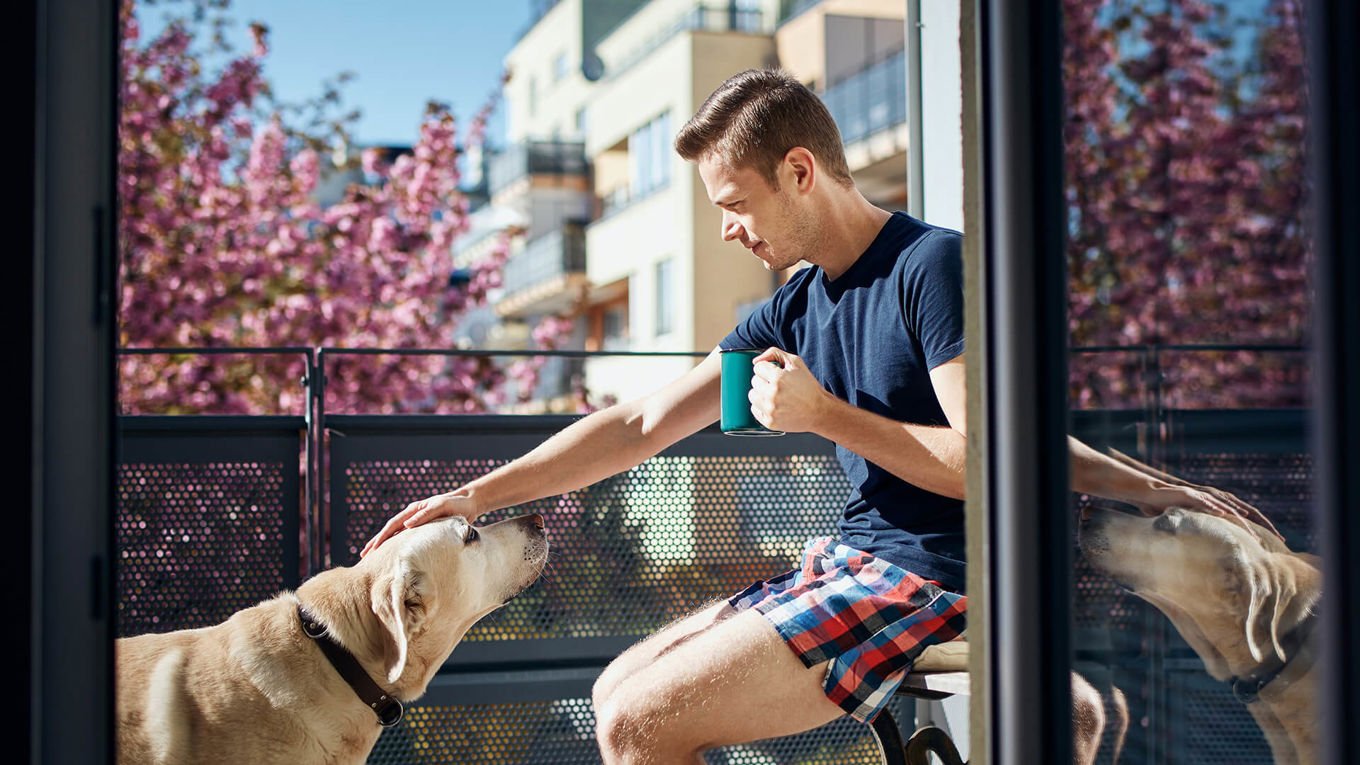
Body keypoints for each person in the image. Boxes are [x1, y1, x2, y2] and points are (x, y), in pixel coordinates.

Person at [361, 68, 1275, 762]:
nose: (727, 229)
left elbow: (989, 462)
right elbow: (642, 424)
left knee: (643, 722)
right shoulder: (793, 308)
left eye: (735, 203)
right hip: (849, 562)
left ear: (799, 171)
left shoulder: (932, 268)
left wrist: (824, 413)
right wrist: (468, 496)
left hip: (943, 576)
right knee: (613, 697)